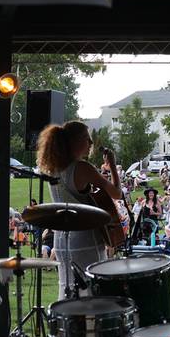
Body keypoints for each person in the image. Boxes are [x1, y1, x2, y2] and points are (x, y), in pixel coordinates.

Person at [37, 120, 121, 299]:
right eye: (87, 138)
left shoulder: (54, 168)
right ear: (74, 141)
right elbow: (116, 193)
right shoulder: (82, 167)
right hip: (85, 238)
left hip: (61, 238)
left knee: (68, 288)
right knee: (90, 288)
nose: (91, 143)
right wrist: (113, 165)